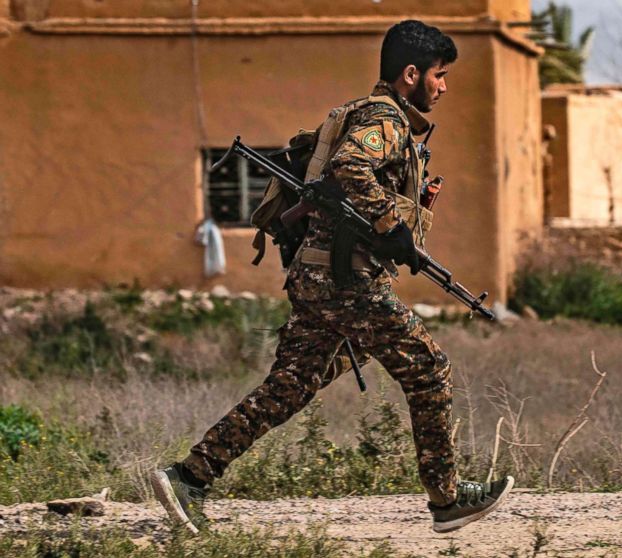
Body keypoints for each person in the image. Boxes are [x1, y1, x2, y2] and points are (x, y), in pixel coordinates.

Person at [151, 19, 513, 535]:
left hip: (320, 275)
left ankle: (189, 476)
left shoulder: (370, 116)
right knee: (429, 369)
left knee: (289, 387)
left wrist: (394, 235)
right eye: (440, 74)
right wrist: (392, 227)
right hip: (347, 282)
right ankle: (447, 498)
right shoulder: (385, 121)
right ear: (411, 74)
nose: (444, 86)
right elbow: (349, 166)